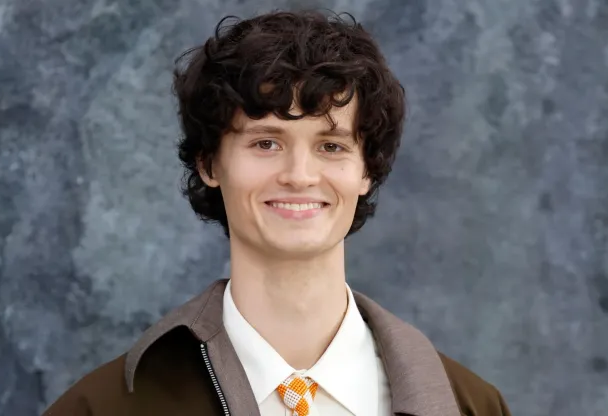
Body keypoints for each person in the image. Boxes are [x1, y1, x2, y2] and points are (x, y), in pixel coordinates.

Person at [44, 9, 512, 416]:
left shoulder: (471, 406)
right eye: (266, 143)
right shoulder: (105, 408)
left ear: (366, 171)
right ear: (209, 163)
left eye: (331, 145)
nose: (299, 174)